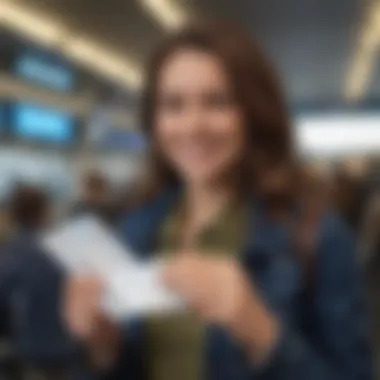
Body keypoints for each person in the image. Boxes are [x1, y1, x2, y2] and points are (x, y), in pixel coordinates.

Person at [64, 23, 371, 380]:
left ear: (254, 113)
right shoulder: (137, 228)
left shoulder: (318, 236)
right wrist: (103, 347)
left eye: (217, 102)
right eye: (173, 105)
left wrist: (261, 330)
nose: (192, 126)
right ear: (154, 121)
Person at [0, 185, 83, 380]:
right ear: (45, 211)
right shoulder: (65, 251)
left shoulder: (10, 255)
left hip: (28, 352)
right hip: (68, 351)